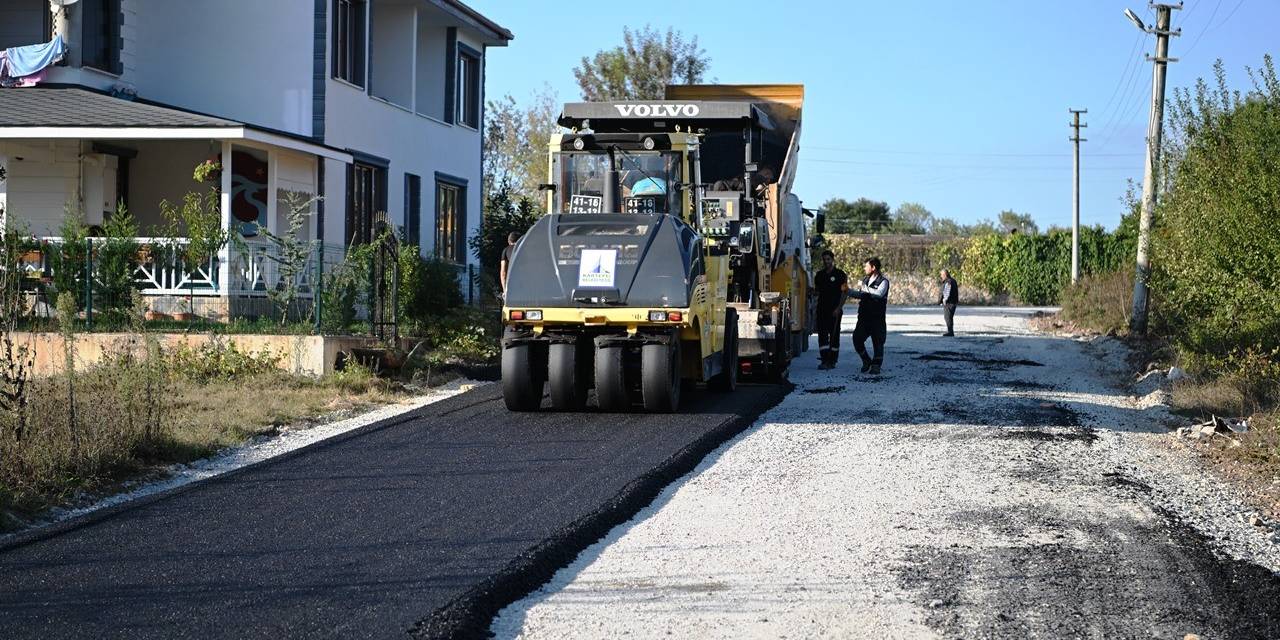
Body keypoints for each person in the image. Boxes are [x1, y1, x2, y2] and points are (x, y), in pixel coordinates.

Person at [849, 257, 890, 375]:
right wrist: (848, 291)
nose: (864, 268)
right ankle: (866, 360)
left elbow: (879, 294)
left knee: (878, 342)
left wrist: (864, 287)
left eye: (866, 266)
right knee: (857, 338)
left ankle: (876, 365)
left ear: (873, 268)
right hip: (864, 317)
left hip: (877, 317)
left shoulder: (883, 281)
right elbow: (861, 295)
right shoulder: (865, 280)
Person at [813, 249, 848, 370]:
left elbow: (844, 293)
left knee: (834, 335)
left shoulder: (840, 274)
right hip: (822, 309)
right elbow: (817, 291)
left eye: (828, 259)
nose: (826, 261)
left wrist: (839, 308)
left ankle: (832, 360)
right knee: (822, 334)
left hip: (835, 311)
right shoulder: (819, 275)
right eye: (824, 259)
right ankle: (824, 360)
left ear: (832, 260)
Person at [938, 269, 959, 336]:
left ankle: (950, 332)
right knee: (949, 317)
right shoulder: (952, 280)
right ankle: (950, 331)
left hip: (950, 303)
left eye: (941, 275)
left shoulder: (948, 282)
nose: (941, 276)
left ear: (945, 275)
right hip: (953, 302)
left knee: (948, 317)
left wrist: (944, 300)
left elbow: (947, 292)